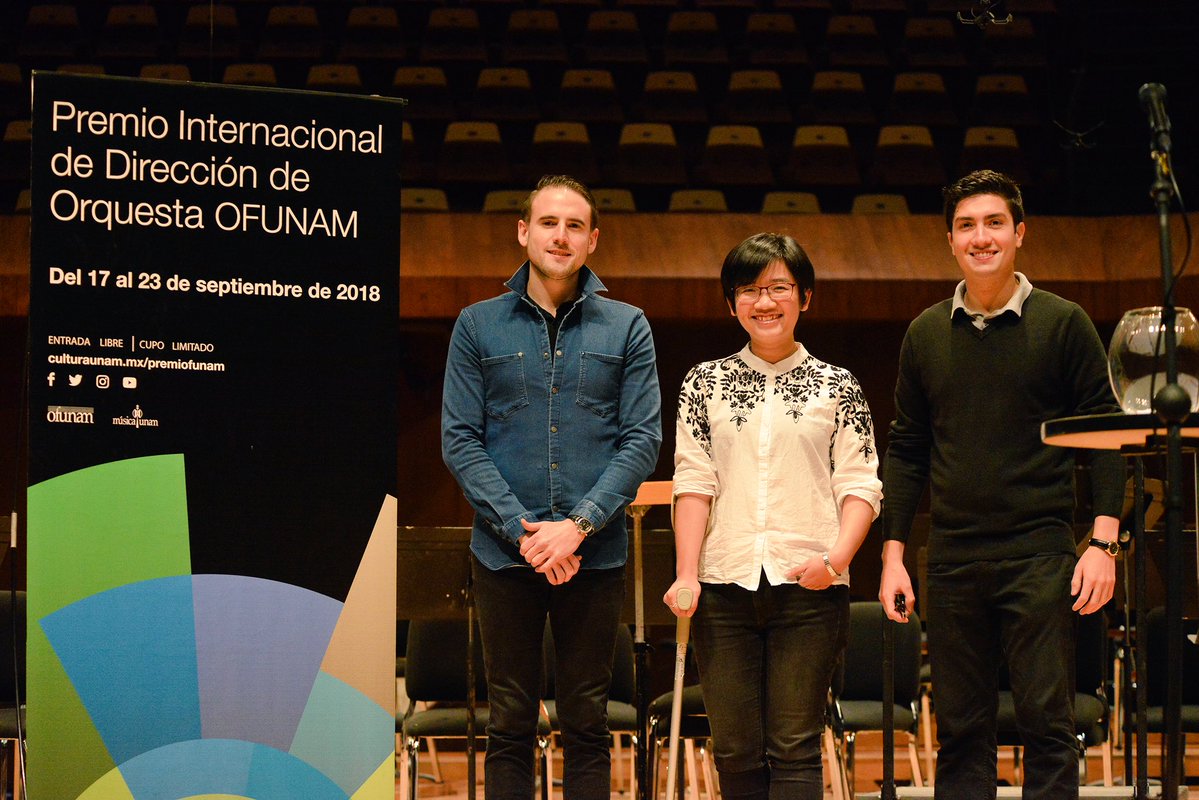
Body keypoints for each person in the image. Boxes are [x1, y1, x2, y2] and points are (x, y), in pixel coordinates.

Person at [879, 169, 1125, 800]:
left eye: (993, 223)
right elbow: (906, 451)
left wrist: (1102, 543)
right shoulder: (925, 333)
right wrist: (894, 554)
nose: (980, 237)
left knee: (1048, 724)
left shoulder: (1064, 323)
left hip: (1039, 552)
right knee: (961, 731)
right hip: (955, 556)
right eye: (966, 226)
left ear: (1020, 233)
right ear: (951, 241)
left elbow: (1105, 435)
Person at [441, 174, 662, 799]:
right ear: (523, 232)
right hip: (503, 554)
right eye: (547, 223)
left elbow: (642, 439)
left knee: (587, 721)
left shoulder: (629, 326)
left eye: (573, 226)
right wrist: (527, 533)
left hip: (594, 554)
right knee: (509, 719)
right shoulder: (476, 326)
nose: (559, 236)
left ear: (592, 239)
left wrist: (577, 527)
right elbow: (460, 441)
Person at [664, 232, 882, 800]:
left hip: (808, 588)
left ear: (804, 298)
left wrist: (835, 562)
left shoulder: (838, 385)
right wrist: (687, 572)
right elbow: (693, 481)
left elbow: (860, 485)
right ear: (730, 303)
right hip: (721, 587)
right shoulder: (702, 382)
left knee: (794, 747)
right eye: (749, 290)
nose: (765, 302)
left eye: (779, 288)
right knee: (734, 748)